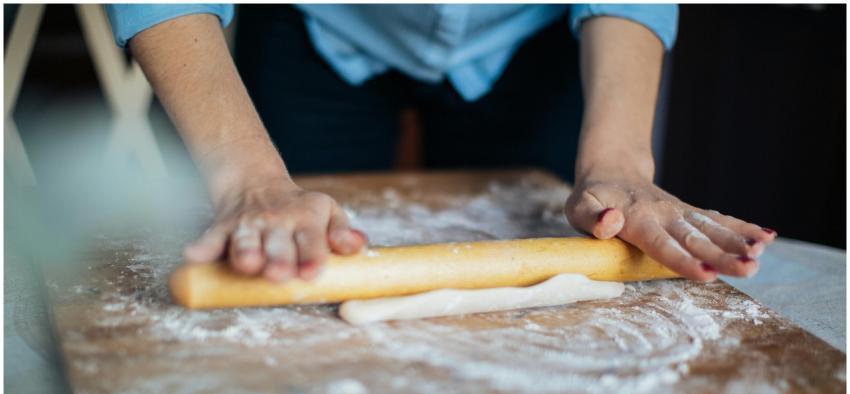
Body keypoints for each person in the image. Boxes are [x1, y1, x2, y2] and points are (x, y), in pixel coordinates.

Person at [106, 4, 776, 284]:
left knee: (557, 283)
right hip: (320, 27)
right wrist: (252, 182)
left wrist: (620, 164)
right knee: (287, 272)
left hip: (528, 34)